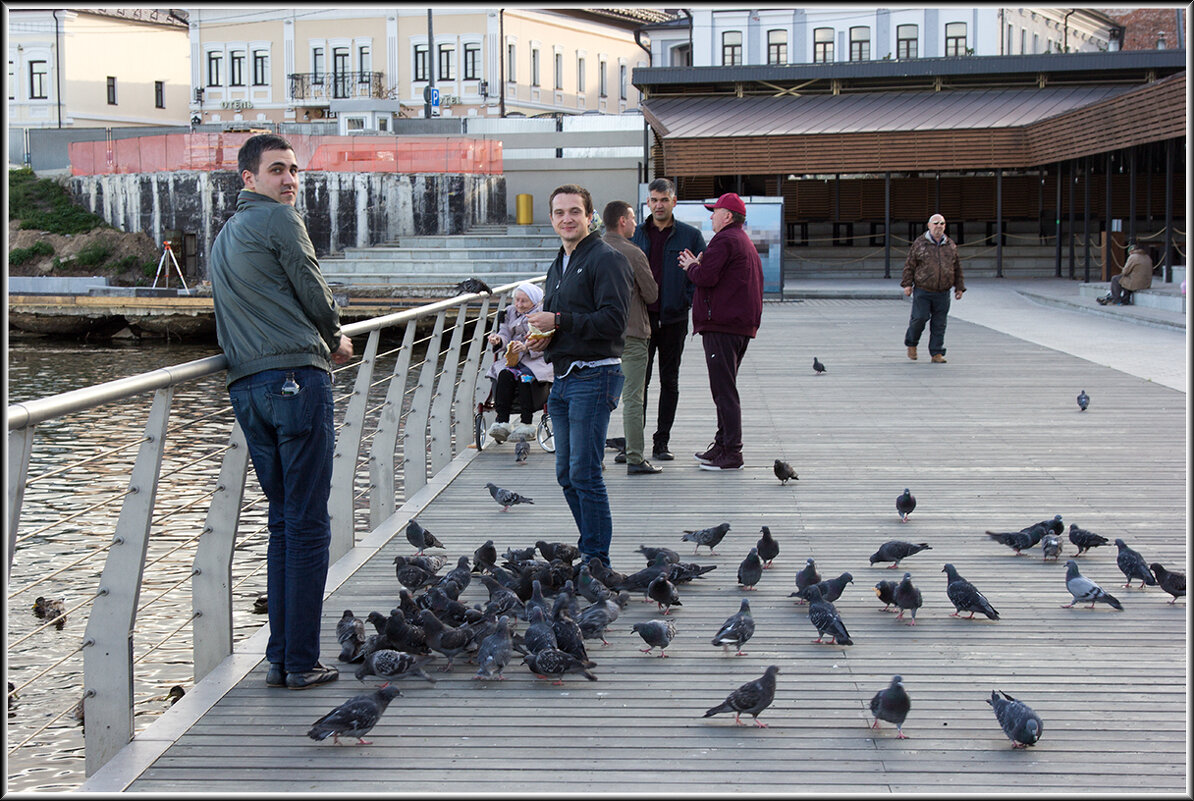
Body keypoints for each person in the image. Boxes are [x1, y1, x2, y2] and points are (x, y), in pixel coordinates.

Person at [209, 133, 353, 691]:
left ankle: (280, 657)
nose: (290, 180)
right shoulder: (278, 221)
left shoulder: (226, 235)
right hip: (295, 380)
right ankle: (301, 661)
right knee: (309, 524)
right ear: (249, 179)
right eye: (277, 170)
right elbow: (312, 289)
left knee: (283, 522)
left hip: (248, 389)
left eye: (294, 170)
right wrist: (334, 334)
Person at [526, 185, 632, 568]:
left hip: (595, 375)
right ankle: (590, 546)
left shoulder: (607, 259)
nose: (566, 219)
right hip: (564, 378)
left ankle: (595, 557)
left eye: (575, 211)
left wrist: (559, 320)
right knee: (567, 476)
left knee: (585, 474)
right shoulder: (559, 263)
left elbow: (614, 322)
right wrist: (542, 341)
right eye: (559, 212)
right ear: (551, 218)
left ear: (590, 216)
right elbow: (561, 321)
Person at [676, 192, 764, 472]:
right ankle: (722, 444)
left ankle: (732, 451)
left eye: (714, 212)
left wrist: (692, 267)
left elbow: (706, 277)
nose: (711, 216)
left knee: (724, 390)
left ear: (727, 216)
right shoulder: (741, 240)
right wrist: (701, 265)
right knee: (724, 387)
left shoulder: (725, 240)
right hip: (737, 325)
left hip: (723, 326)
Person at [632, 177, 706, 462]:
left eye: (664, 199)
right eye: (654, 200)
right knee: (639, 382)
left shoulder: (690, 236)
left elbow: (701, 272)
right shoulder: (637, 234)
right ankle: (634, 443)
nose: (659, 205)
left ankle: (661, 441)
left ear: (674, 201)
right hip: (642, 320)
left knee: (669, 381)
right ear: (648, 203)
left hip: (674, 319)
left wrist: (684, 299)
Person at [602, 200, 661, 474]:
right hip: (632, 333)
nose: (637, 223)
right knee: (633, 398)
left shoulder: (589, 250)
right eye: (634, 218)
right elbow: (651, 295)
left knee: (594, 399)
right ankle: (635, 457)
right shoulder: (633, 253)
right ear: (622, 221)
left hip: (598, 336)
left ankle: (592, 457)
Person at [484, 282, 552, 443]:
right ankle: (502, 421)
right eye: (517, 300)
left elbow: (543, 338)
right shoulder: (510, 312)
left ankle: (526, 423)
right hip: (514, 356)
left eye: (524, 301)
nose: (519, 304)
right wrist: (498, 339)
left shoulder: (542, 315)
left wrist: (527, 347)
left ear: (534, 302)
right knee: (504, 375)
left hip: (535, 358)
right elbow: (505, 333)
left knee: (525, 377)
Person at [901, 214, 965, 363]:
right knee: (920, 318)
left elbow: (957, 267)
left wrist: (959, 287)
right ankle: (912, 343)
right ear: (929, 225)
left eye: (942, 223)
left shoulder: (950, 245)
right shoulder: (920, 244)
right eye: (936, 223)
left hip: (943, 291)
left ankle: (936, 352)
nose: (939, 226)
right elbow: (909, 265)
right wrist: (907, 284)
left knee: (939, 323)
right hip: (923, 289)